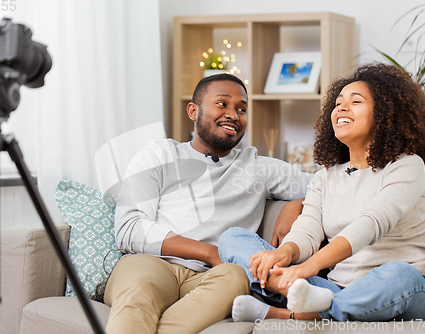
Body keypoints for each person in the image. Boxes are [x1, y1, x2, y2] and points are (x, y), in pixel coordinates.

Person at [218, 63, 425, 323]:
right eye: (338, 103)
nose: (342, 108)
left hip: (400, 289)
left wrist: (306, 268)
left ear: (385, 114)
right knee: (231, 238)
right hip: (333, 290)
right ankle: (293, 292)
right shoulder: (325, 176)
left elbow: (370, 225)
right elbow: (308, 230)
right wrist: (285, 254)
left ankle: (290, 313)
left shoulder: (407, 165)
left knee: (401, 276)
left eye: (355, 102)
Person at [103, 73, 313, 333]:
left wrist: (298, 203)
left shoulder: (257, 167)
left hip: (213, 277)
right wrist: (209, 252)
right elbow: (129, 229)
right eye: (222, 104)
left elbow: (327, 186)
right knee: (137, 292)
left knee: (236, 277)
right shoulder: (159, 154)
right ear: (193, 111)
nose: (233, 115)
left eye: (242, 109)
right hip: (152, 263)